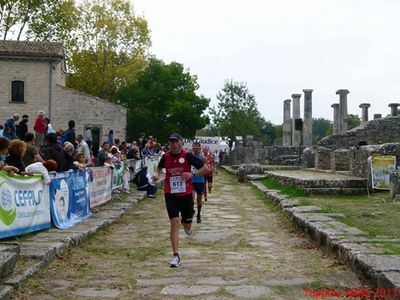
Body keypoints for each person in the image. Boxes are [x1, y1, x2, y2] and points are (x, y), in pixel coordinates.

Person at [152, 133, 208, 268]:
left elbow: (206, 168)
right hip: (170, 193)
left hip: (186, 194)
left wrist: (192, 174)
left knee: (186, 224)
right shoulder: (165, 157)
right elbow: (159, 168)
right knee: (174, 222)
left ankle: (187, 223)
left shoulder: (188, 156)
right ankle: (175, 255)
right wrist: (156, 174)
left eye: (176, 142)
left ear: (182, 143)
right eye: (172, 143)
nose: (174, 145)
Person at [191, 142, 206, 223]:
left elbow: (207, 169)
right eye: (194, 148)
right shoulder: (190, 157)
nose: (195, 150)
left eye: (197, 148)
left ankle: (198, 214)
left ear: (200, 149)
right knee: (192, 196)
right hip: (191, 180)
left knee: (199, 199)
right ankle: (192, 209)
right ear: (192, 148)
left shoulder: (203, 158)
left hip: (200, 180)